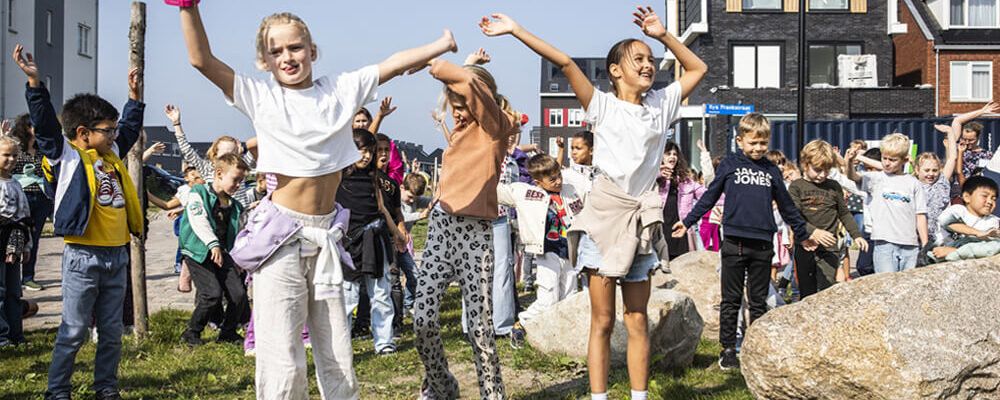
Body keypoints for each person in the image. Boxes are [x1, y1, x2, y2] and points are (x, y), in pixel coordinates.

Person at [174, 2, 456, 398]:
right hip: (282, 237)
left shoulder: (339, 90)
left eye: (296, 47)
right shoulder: (260, 95)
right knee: (282, 351)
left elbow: (391, 65)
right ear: (265, 60)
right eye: (277, 51)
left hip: (325, 236)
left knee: (336, 344)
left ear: (313, 50)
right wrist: (188, 8)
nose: (287, 57)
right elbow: (202, 60)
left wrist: (441, 44)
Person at [482, 7, 707, 399]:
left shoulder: (661, 104)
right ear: (615, 70)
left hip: (639, 223)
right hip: (603, 220)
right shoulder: (602, 105)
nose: (648, 65)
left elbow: (697, 69)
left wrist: (664, 36)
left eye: (651, 60)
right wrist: (516, 29)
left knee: (637, 318)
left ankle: (639, 396)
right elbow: (564, 61)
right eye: (638, 59)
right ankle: (599, 396)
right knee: (601, 320)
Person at [16, 43, 144, 400]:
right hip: (82, 258)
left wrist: (134, 97)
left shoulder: (112, 153)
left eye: (116, 130)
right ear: (84, 132)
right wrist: (35, 85)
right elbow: (44, 127)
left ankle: (105, 388)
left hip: (117, 255)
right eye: (109, 130)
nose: (116, 135)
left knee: (112, 331)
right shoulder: (67, 157)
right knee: (72, 330)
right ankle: (58, 392)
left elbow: (131, 128)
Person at [673, 113, 833, 370]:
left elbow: (787, 206)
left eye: (763, 143)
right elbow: (710, 196)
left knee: (758, 301)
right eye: (753, 143)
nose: (758, 148)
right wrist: (689, 220)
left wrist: (802, 235)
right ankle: (727, 350)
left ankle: (755, 349)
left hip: (762, 244)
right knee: (731, 299)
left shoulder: (771, 170)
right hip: (734, 242)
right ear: (739, 141)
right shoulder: (729, 164)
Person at [410, 47, 520, 397]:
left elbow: (474, 87)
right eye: (452, 104)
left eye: (462, 104)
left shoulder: (493, 128)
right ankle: (442, 387)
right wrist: (469, 64)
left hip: (476, 233)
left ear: (480, 100)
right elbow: (469, 83)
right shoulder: (459, 131)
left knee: (480, 329)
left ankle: (492, 394)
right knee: (422, 319)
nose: (456, 112)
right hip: (442, 227)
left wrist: (438, 65)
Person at [337, 129, 407, 355]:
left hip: (375, 239)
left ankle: (384, 343)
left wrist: (396, 232)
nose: (366, 156)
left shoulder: (374, 177)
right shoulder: (339, 177)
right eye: (361, 150)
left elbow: (382, 208)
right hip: (349, 242)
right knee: (347, 297)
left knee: (380, 294)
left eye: (369, 151)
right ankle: (341, 346)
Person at [498, 154, 585, 323]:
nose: (558, 181)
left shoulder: (571, 190)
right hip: (547, 250)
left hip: (570, 250)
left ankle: (560, 329)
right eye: (552, 180)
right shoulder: (527, 193)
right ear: (538, 182)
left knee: (569, 295)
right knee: (548, 297)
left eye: (559, 175)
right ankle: (524, 323)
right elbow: (499, 192)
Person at [178, 154, 250, 346]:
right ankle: (192, 332)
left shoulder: (235, 206)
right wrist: (213, 244)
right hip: (198, 253)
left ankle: (227, 332)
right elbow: (198, 219)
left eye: (241, 181)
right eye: (235, 180)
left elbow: (241, 233)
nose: (238, 185)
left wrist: (238, 257)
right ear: (219, 174)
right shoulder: (198, 193)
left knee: (239, 294)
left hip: (223, 253)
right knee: (211, 294)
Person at [787, 140, 868, 298]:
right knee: (806, 291)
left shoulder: (833, 186)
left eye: (826, 170)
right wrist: (813, 232)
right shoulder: (796, 186)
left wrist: (856, 235)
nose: (822, 175)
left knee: (826, 290)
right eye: (817, 170)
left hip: (829, 247)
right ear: (805, 164)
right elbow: (794, 215)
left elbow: (844, 213)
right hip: (805, 245)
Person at [846, 133, 928, 273]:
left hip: (910, 244)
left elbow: (920, 215)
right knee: (887, 284)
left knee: (907, 285)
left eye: (893, 160)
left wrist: (925, 243)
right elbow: (853, 176)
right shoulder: (876, 178)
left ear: (904, 160)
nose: (887, 163)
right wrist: (849, 162)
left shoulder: (914, 183)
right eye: (884, 158)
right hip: (884, 242)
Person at [164, 104, 257, 207]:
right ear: (215, 154)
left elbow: (256, 147)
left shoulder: (241, 166)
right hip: (216, 216)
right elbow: (187, 151)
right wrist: (176, 124)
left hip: (240, 217)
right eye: (225, 153)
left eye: (232, 153)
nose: (229, 157)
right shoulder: (207, 168)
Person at [9, 114, 49, 292]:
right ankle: (11, 277)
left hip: (41, 198)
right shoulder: (17, 148)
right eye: (34, 126)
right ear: (26, 127)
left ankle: (28, 277)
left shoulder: (44, 148)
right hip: (21, 197)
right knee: (16, 237)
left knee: (34, 238)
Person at [0, 135, 31, 348]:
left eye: (14, 155)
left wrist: (26, 245)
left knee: (13, 289)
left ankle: (16, 335)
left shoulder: (16, 184)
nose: (10, 159)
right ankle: (2, 336)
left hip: (15, 237)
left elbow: (24, 214)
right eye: (5, 155)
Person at [931, 176, 1000, 260]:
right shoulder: (958, 210)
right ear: (967, 197)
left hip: (967, 256)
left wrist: (956, 251)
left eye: (993, 199)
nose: (990, 202)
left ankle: (957, 252)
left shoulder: (993, 221)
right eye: (985, 196)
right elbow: (947, 222)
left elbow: (991, 246)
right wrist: (978, 233)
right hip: (938, 253)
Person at [658, 141, 704, 259]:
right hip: (659, 232)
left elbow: (709, 196)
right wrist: (658, 174)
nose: (672, 157)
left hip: (680, 232)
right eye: (668, 153)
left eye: (675, 154)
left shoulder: (686, 181)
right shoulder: (653, 178)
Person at [945, 102, 1000, 185]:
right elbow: (957, 121)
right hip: (957, 189)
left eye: (971, 140)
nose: (967, 143)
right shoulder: (956, 148)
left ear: (978, 137)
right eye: (964, 139)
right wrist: (982, 111)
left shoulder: (986, 154)